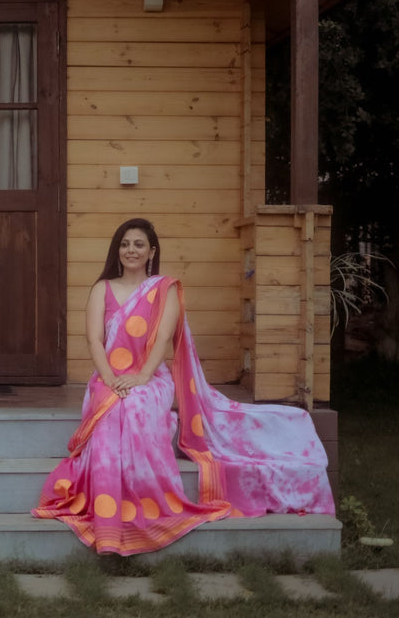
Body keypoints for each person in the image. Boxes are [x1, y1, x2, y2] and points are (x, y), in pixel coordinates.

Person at [32, 218, 334, 555]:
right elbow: (93, 340)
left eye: (138, 244)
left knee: (136, 405)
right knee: (115, 407)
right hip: (107, 376)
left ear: (151, 251)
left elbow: (162, 339)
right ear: (117, 250)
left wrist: (142, 377)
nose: (131, 250)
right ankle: (108, 510)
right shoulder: (101, 289)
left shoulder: (165, 289)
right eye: (125, 244)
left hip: (151, 377)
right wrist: (111, 378)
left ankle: (143, 505)